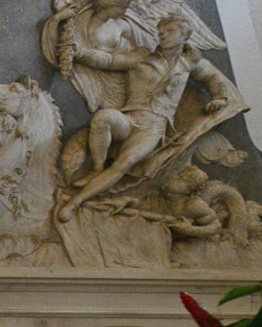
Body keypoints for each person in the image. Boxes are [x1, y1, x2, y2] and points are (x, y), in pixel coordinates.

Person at [58, 15, 237, 221]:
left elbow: (213, 78)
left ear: (185, 35)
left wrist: (219, 97)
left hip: (153, 128)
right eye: (161, 32)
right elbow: (110, 61)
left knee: (125, 162)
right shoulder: (143, 56)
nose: (163, 35)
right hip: (129, 118)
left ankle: (75, 203)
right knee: (103, 118)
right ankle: (97, 169)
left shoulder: (189, 64)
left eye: (170, 31)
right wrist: (80, 53)